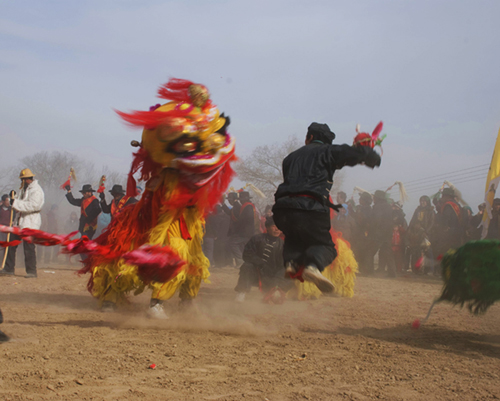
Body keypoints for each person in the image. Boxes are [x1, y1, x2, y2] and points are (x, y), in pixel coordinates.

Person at [272, 122, 381, 293]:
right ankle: (313, 267)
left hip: (281, 209)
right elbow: (352, 153)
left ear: (310, 137)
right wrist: (371, 155)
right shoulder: (328, 151)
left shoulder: (290, 158)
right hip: (310, 207)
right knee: (327, 246)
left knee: (294, 237)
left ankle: (292, 264)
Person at [234, 216, 291, 302]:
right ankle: (241, 292)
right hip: (256, 273)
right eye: (274, 226)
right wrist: (261, 263)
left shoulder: (283, 245)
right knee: (246, 266)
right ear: (267, 227)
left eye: (279, 227)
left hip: (272, 275)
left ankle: (276, 291)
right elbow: (247, 255)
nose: (277, 229)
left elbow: (283, 264)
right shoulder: (256, 239)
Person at [0, 168, 45, 278]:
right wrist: (13, 198)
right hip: (20, 222)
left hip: (30, 222)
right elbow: (19, 202)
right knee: (11, 242)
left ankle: (31, 271)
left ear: (28, 179)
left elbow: (33, 206)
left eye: (23, 179)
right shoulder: (24, 189)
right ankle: (9, 268)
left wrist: (14, 203)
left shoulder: (36, 190)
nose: (22, 181)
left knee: (28, 247)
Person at [365, 190, 396, 277]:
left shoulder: (378, 207)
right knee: (388, 253)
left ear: (378, 198)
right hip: (387, 233)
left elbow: (376, 220)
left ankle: (369, 271)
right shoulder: (388, 207)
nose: (373, 199)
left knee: (370, 252)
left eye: (374, 197)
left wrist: (371, 228)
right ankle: (392, 273)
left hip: (378, 234)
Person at [407, 195, 435, 273]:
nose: (422, 202)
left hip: (426, 234)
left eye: (424, 201)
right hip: (416, 233)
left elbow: (432, 223)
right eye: (421, 201)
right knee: (416, 250)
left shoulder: (431, 211)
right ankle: (416, 269)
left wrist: (426, 231)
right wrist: (410, 230)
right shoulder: (417, 210)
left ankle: (430, 270)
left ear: (427, 202)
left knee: (428, 251)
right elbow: (413, 220)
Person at [0, 194, 15, 267]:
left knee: (7, 247)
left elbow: (14, 217)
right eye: (6, 200)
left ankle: (6, 263)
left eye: (9, 200)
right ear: (3, 201)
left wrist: (12, 222)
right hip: (1, 230)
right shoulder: (0, 209)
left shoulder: (11, 210)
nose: (8, 202)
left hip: (8, 231)